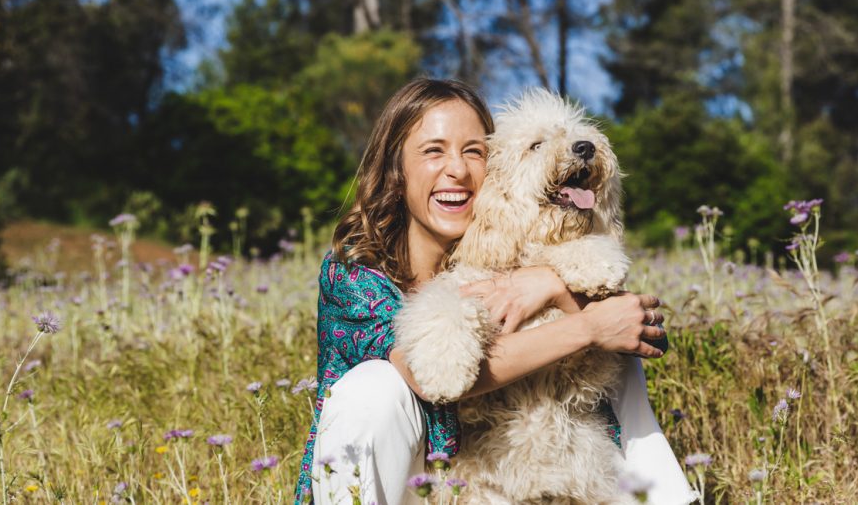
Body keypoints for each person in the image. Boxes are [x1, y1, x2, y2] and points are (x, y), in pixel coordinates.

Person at [294, 79, 693, 505]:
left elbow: (642, 331)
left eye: (473, 151)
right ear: (397, 172)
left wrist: (550, 285)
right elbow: (432, 376)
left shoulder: (521, 251)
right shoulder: (352, 273)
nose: (458, 170)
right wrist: (588, 326)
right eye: (433, 151)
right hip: (409, 481)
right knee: (373, 387)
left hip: (531, 469)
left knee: (620, 351)